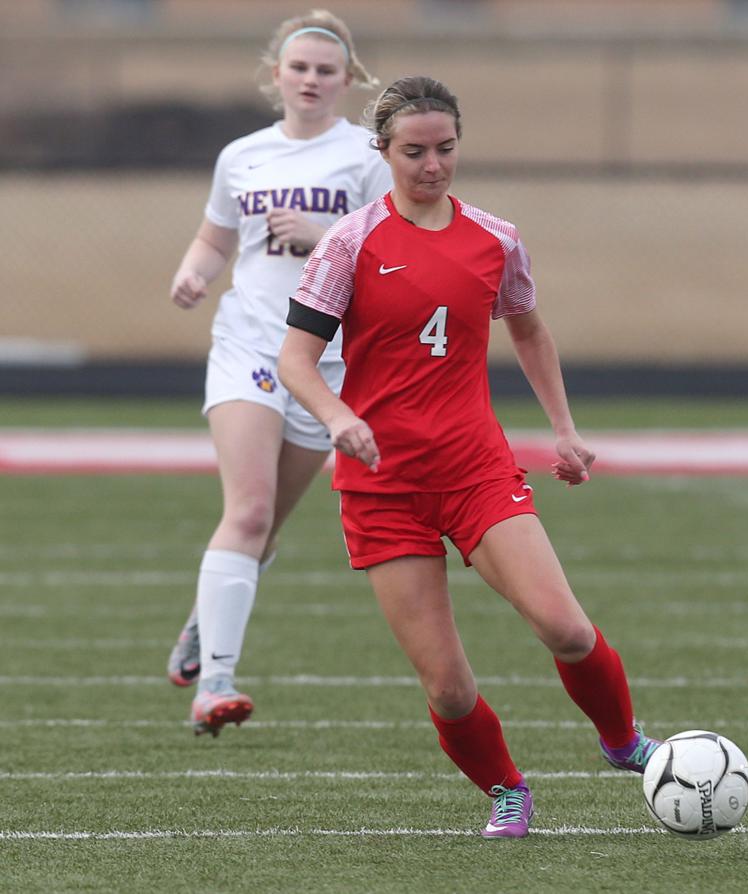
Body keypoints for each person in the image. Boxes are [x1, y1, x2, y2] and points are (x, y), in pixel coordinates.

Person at [275, 75, 661, 839]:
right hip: (383, 487)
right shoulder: (349, 244)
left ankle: (623, 743)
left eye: (445, 148)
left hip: (475, 470)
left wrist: (564, 429)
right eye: (414, 151)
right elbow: (294, 359)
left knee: (567, 630)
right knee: (448, 687)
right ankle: (508, 790)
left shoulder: (496, 238)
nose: (433, 165)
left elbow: (529, 330)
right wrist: (338, 415)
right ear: (382, 151)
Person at [165, 9, 391, 736]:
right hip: (250, 347)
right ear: (277, 76)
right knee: (251, 509)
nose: (312, 80)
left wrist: (324, 234)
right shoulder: (243, 156)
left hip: (325, 362)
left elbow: (395, 250)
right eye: (300, 68)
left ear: (347, 79)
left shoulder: (367, 154)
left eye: (327, 70)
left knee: (265, 527)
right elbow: (215, 237)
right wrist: (195, 272)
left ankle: (205, 619)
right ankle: (215, 687)